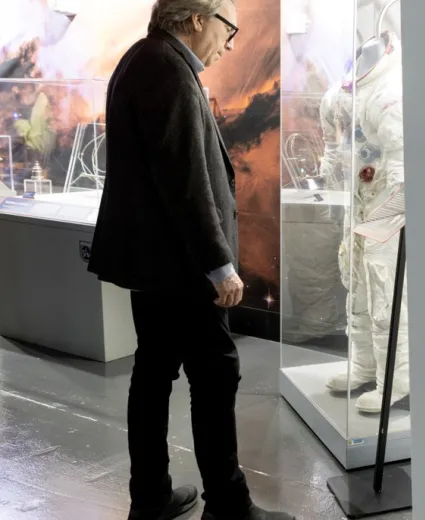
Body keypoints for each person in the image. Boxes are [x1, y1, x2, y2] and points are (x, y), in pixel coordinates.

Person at [87, 1, 294, 519]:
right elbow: (184, 180)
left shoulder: (146, 58)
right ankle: (228, 504)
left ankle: (152, 498)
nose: (232, 40)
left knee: (154, 375)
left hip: (159, 263)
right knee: (213, 375)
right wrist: (219, 264)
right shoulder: (165, 68)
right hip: (180, 267)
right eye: (228, 26)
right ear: (196, 18)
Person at [319, 31, 409, 414]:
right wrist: (335, 172)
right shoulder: (341, 92)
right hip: (358, 199)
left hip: (389, 201)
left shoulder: (392, 89)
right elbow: (332, 147)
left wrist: (383, 218)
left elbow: (404, 167)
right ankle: (363, 367)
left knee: (383, 287)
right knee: (354, 280)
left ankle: (397, 379)